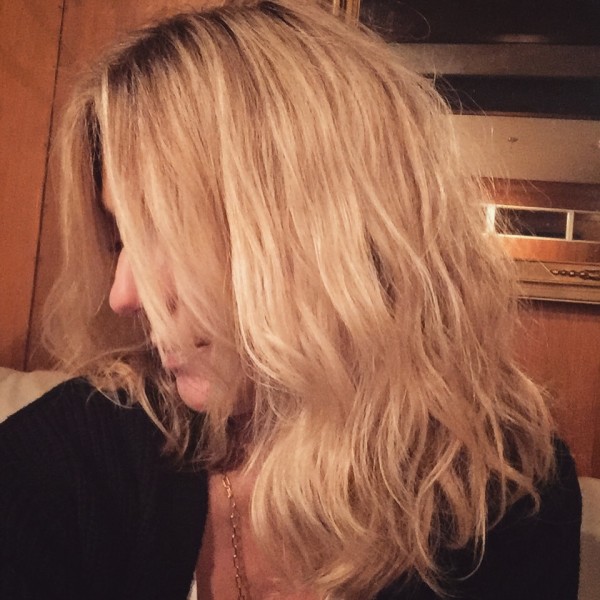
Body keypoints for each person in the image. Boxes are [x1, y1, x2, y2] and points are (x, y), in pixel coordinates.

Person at [0, 1, 581, 599]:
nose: (123, 296)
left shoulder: (502, 491)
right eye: (120, 240)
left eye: (166, 231)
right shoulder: (64, 458)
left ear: (322, 229)